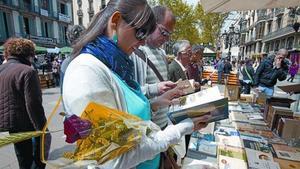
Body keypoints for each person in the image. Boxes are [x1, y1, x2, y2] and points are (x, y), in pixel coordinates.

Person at [62, 1, 208, 168]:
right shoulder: (86, 72)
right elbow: (114, 159)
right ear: (115, 21)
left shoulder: (115, 64)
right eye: (140, 33)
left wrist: (154, 103)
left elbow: (129, 115)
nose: (143, 42)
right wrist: (180, 129)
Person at [0, 38, 50, 169]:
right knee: (38, 158)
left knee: (22, 156)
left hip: (10, 122)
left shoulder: (2, 69)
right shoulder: (28, 71)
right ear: (29, 54)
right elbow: (33, 104)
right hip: (25, 121)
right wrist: (42, 128)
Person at [129, 6, 178, 129]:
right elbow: (132, 94)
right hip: (147, 128)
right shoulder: (135, 52)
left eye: (169, 35)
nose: (166, 38)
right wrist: (155, 89)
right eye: (164, 32)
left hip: (163, 125)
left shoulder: (162, 53)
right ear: (151, 24)